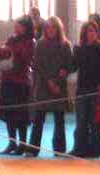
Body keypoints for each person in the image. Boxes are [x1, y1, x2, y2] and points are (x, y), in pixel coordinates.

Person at [24, 16, 72, 158]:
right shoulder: (40, 45)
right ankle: (33, 149)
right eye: (48, 27)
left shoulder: (65, 45)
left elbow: (69, 64)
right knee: (38, 119)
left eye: (53, 27)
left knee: (59, 119)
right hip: (43, 86)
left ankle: (59, 149)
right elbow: (37, 66)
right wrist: (50, 81)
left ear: (58, 29)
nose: (51, 30)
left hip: (59, 86)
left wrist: (63, 74)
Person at [68, 21, 100, 158]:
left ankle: (94, 149)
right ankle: (79, 148)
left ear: (97, 33)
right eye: (88, 31)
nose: (91, 33)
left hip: (97, 90)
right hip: (82, 89)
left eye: (93, 31)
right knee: (81, 121)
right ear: (84, 33)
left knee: (96, 122)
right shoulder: (79, 48)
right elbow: (73, 66)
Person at [0, 14, 35, 156]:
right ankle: (12, 142)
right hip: (8, 81)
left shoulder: (31, 41)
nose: (16, 28)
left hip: (21, 82)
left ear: (26, 27)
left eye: (19, 25)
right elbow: (2, 53)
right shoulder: (11, 39)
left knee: (21, 116)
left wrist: (10, 51)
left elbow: (26, 58)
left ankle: (22, 144)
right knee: (8, 114)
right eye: (16, 25)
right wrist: (1, 51)